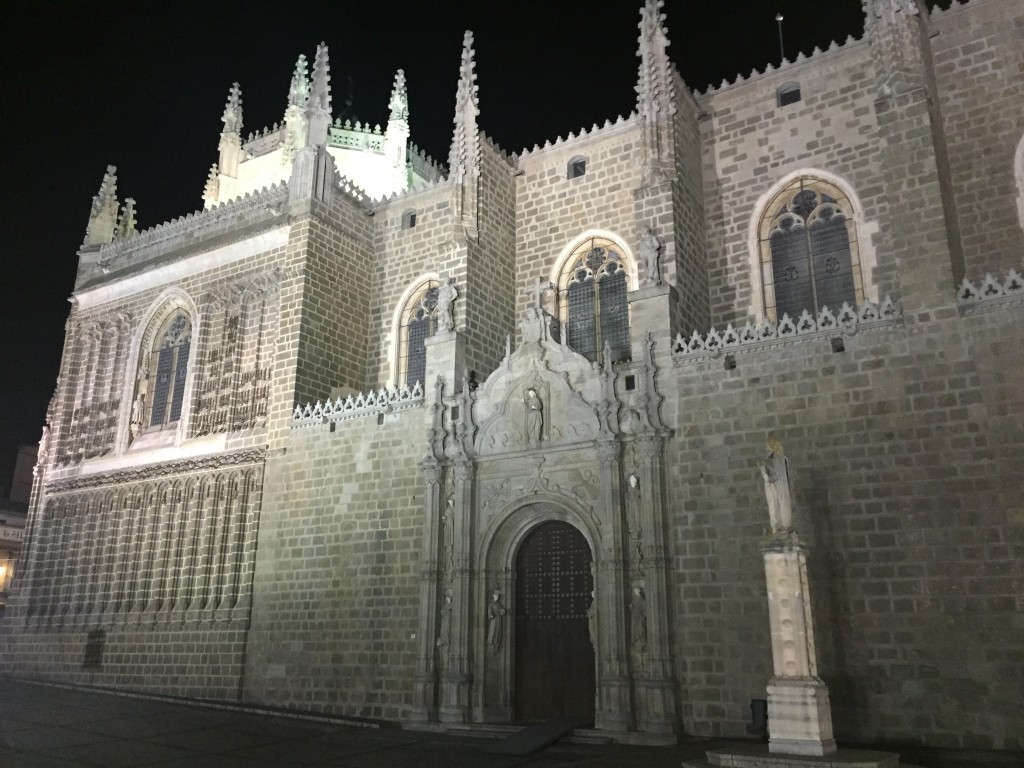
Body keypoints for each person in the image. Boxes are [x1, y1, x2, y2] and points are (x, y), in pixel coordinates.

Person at [759, 436, 794, 532]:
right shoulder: (782, 458)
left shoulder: (775, 458)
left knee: (776, 506)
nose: (766, 447)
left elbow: (772, 476)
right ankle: (784, 526)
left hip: (775, 486)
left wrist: (763, 470)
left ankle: (780, 527)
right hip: (781, 485)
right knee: (782, 504)